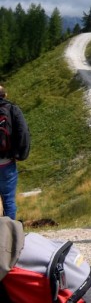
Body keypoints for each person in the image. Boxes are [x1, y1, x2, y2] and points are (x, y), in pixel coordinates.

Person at [0, 85, 31, 220]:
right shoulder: (12, 109)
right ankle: (8, 235)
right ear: (5, 95)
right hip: (6, 163)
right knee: (8, 200)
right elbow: (23, 132)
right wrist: (20, 155)